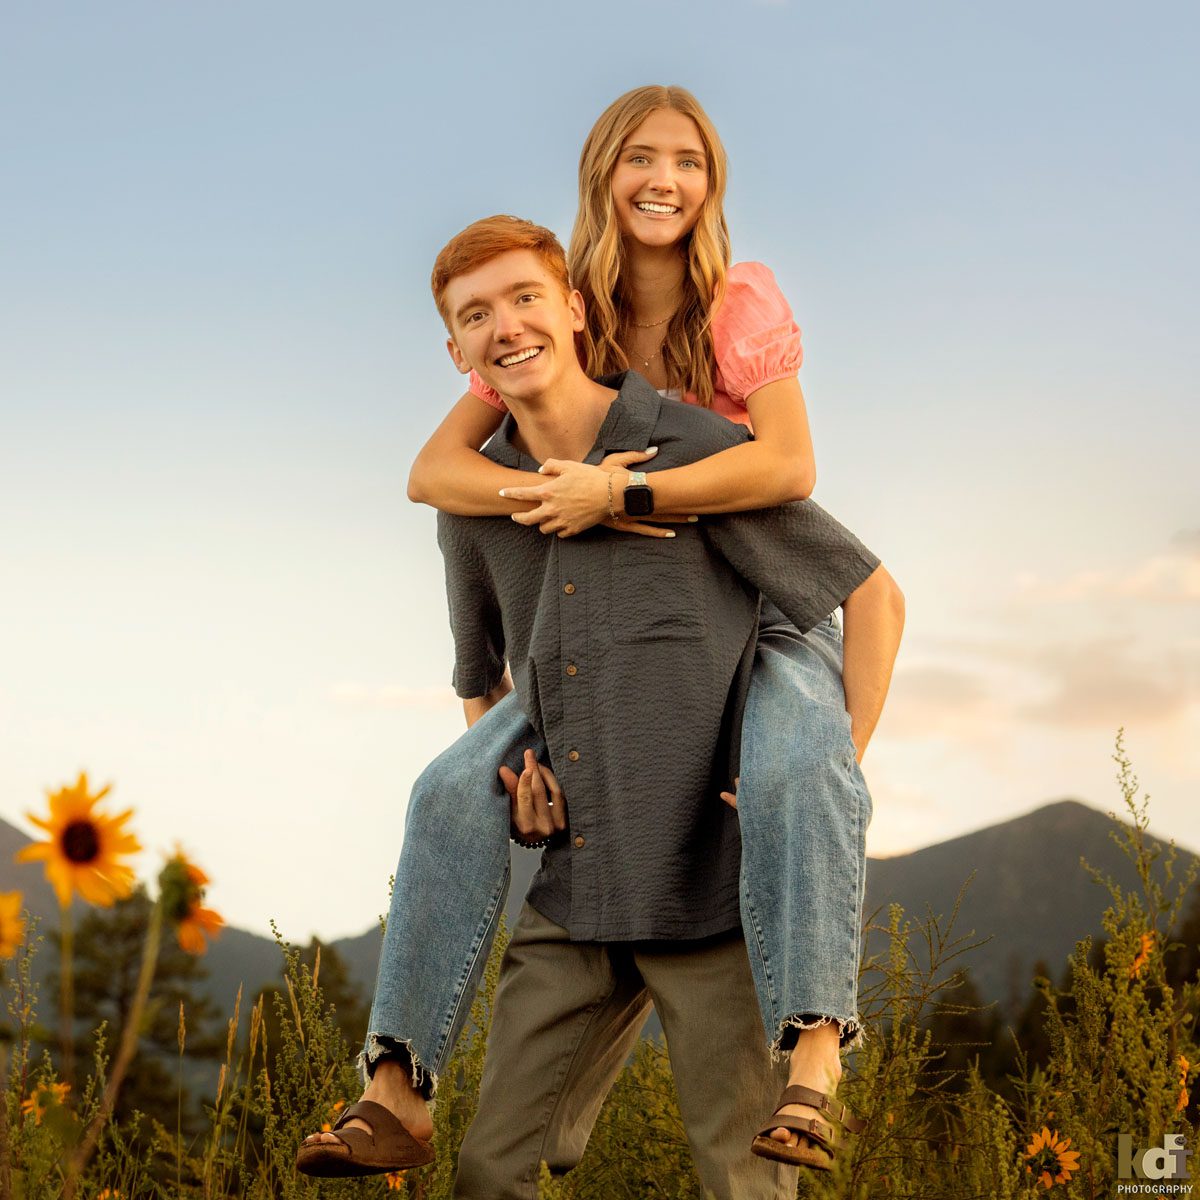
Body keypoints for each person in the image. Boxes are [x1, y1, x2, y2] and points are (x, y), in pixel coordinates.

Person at [298, 215, 891, 1196]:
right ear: (458, 353)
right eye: (476, 314)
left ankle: (814, 1056)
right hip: (574, 899)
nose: (506, 325)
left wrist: (821, 774)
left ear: (574, 309)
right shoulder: (476, 496)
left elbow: (870, 596)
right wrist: (515, 781)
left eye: (526, 296)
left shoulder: (693, 452)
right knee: (490, 1174)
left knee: (740, 1183)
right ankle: (395, 1089)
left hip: (710, 895)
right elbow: (480, 679)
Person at [405, 85, 904, 1160]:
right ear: (602, 174)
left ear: (711, 183)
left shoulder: (736, 299)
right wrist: (552, 494)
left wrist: (616, 497)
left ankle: (815, 1057)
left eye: (688, 161)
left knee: (796, 777)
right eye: (640, 157)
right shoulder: (554, 305)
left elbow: (787, 467)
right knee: (452, 787)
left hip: (757, 598)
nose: (663, 180)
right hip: (606, 630)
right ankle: (400, 1080)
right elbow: (436, 473)